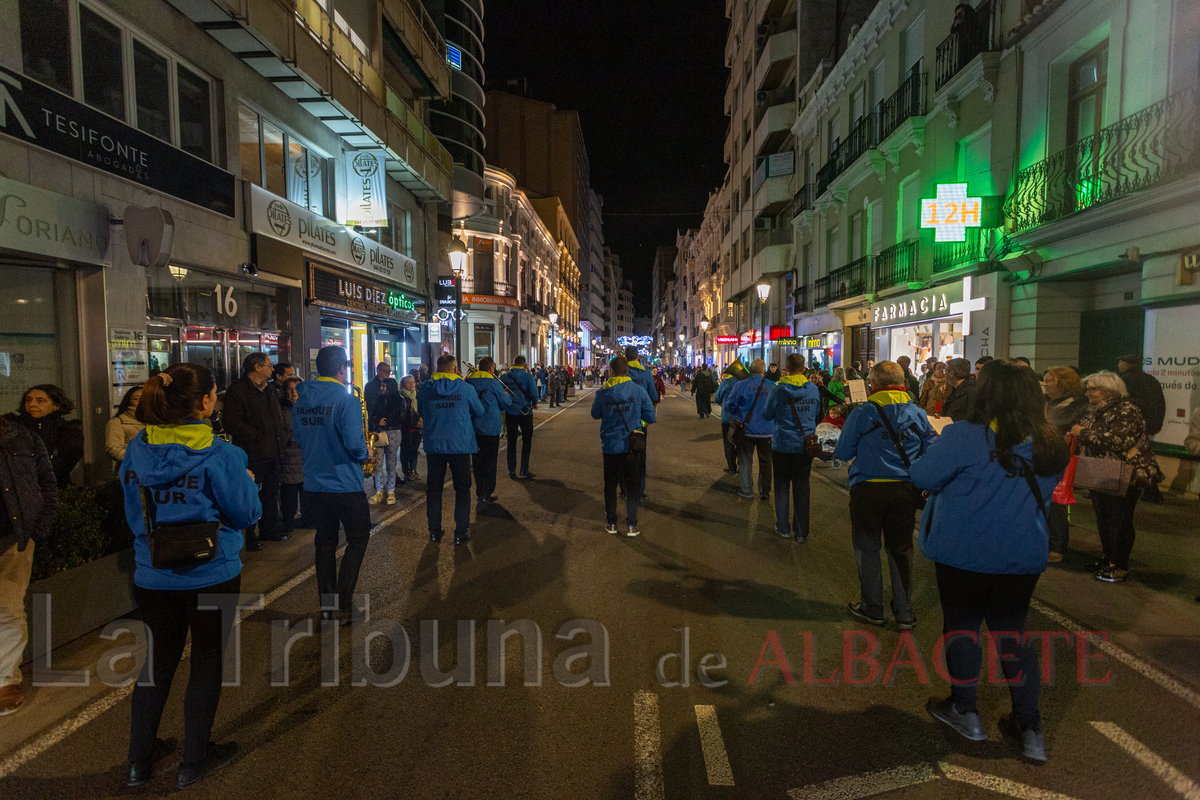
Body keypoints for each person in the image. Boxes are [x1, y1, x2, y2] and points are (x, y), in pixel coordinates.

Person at [912, 360, 1069, 763]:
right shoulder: (1051, 442)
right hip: (1022, 554)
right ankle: (1029, 726)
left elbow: (923, 477)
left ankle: (966, 710)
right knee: (1012, 635)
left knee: (962, 627)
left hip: (964, 552)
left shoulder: (965, 436)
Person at [119, 364, 261, 789]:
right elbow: (247, 513)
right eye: (213, 393)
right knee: (205, 663)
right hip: (211, 572)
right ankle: (193, 762)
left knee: (156, 664)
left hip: (152, 576)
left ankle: (137, 763)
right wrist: (247, 483)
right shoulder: (222, 454)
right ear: (204, 402)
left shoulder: (135, 451)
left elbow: (132, 519)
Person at [835, 361, 936, 628]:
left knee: (867, 548)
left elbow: (843, 452)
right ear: (903, 383)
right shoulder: (918, 413)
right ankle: (904, 613)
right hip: (904, 491)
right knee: (901, 550)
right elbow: (932, 450)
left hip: (868, 489)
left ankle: (873, 608)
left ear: (873, 384)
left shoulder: (863, 413)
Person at [292, 346, 373, 619]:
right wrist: (366, 453)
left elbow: (300, 439)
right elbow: (354, 443)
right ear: (342, 369)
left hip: (314, 483)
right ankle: (342, 603)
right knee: (359, 537)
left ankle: (327, 606)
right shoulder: (345, 399)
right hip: (344, 484)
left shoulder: (301, 400)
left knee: (325, 542)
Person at [1073, 371, 1164, 583]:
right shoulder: (1095, 410)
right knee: (1103, 518)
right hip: (1101, 470)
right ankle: (1108, 558)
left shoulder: (1126, 409)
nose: (1088, 393)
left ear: (1111, 390)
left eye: (1093, 389)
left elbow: (1120, 441)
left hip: (1124, 473)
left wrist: (1082, 433)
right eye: (1087, 389)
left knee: (1119, 520)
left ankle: (1119, 565)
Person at [0, 414, 57, 716]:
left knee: (9, 610)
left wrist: (38, 530)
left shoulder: (20, 437)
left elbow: (47, 481)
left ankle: (6, 679)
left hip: (11, 539)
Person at [222, 353, 289, 550]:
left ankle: (269, 529)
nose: (272, 369)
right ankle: (250, 536)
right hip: (253, 452)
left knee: (270, 494)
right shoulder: (238, 390)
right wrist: (258, 436)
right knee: (251, 494)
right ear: (257, 367)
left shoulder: (269, 389)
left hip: (273, 451)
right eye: (269, 365)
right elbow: (232, 423)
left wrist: (282, 435)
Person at [418, 355, 484, 544]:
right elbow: (479, 411)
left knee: (434, 488)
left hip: (434, 445)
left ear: (438, 369)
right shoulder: (466, 389)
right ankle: (461, 532)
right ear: (455, 369)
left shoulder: (425, 388)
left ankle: (434, 531)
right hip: (460, 445)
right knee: (462, 489)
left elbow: (421, 411)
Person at [592, 356, 656, 536]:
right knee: (633, 485)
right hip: (631, 445)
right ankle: (631, 525)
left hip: (610, 445)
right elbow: (651, 417)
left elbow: (595, 414)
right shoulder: (638, 390)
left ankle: (611, 523)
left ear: (611, 371)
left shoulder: (603, 392)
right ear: (627, 371)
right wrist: (638, 421)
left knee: (610, 485)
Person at [761, 353, 821, 541]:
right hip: (805, 446)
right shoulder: (813, 389)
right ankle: (802, 532)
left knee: (781, 486)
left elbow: (767, 414)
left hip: (783, 445)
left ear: (786, 368)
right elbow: (817, 412)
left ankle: (783, 527)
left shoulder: (778, 390)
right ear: (804, 369)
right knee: (802, 487)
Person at [1041, 367, 1089, 561]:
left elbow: (1054, 421)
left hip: (1062, 457)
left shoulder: (1074, 403)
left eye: (1049, 381)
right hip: (1043, 453)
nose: (1044, 384)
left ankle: (1057, 546)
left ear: (1063, 383)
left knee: (1058, 503)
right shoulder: (1046, 402)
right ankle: (1047, 542)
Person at [8, 385, 84, 488]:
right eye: (28, 400)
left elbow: (62, 466)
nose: (32, 404)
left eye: (40, 400)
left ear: (56, 405)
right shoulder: (12, 427)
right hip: (15, 490)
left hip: (54, 490)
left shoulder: (68, 431)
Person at [465, 357, 512, 505]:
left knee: (478, 462)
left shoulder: (469, 382)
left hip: (473, 427)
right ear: (491, 369)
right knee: (490, 461)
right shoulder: (494, 383)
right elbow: (505, 403)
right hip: (490, 427)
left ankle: (479, 491)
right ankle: (488, 491)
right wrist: (507, 396)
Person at [727, 359, 775, 500]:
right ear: (763, 371)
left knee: (745, 460)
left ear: (750, 369)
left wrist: (738, 413)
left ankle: (747, 490)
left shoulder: (741, 384)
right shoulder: (772, 386)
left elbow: (730, 404)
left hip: (746, 429)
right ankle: (764, 491)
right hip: (767, 431)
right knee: (766, 461)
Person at [625, 346, 659, 500]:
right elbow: (653, 395)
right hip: (641, 421)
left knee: (623, 455)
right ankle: (639, 492)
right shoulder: (646, 373)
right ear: (638, 356)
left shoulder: (622, 372)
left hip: (623, 420)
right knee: (640, 456)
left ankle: (625, 491)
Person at [365, 363, 403, 505]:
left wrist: (386, 420)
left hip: (392, 432)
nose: (387, 373)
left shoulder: (398, 400)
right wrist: (377, 421)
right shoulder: (372, 390)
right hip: (379, 433)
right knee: (378, 463)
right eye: (385, 371)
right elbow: (372, 412)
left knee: (391, 463)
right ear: (379, 371)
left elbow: (400, 417)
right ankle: (380, 490)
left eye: (389, 371)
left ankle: (391, 490)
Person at [501, 355, 540, 480]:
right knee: (526, 441)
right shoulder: (528, 376)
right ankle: (524, 469)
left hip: (510, 411)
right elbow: (534, 393)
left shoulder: (504, 376)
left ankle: (511, 470)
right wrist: (534, 402)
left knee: (511, 442)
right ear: (524, 364)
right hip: (525, 411)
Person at [278, 377, 306, 534]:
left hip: (304, 455)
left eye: (296, 388)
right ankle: (288, 521)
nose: (294, 392)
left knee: (306, 490)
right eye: (290, 389)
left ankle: (308, 519)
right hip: (289, 455)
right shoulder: (281, 409)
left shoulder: (308, 407)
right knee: (289, 491)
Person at [106, 386, 146, 467]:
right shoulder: (118, 422)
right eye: (136, 399)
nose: (141, 401)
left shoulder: (157, 421)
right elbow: (113, 449)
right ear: (128, 402)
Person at [714, 367, 740, 473]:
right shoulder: (741, 382)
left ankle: (732, 466)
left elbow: (717, 398)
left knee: (728, 442)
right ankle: (741, 466)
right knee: (739, 442)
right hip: (740, 418)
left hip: (727, 417)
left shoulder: (725, 383)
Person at [398, 375, 422, 482]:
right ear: (403, 384)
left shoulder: (417, 395)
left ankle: (413, 469)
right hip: (406, 428)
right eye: (409, 382)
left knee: (414, 450)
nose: (412, 384)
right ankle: (406, 471)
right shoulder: (401, 396)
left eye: (413, 382)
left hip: (417, 427)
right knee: (405, 450)